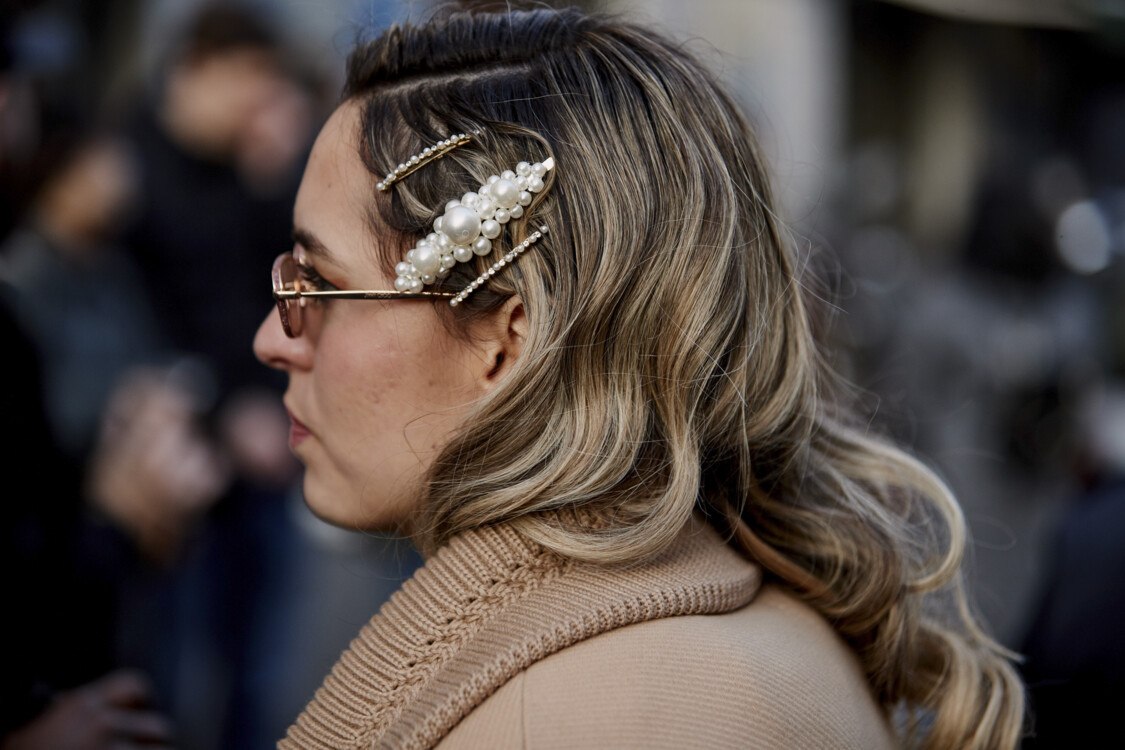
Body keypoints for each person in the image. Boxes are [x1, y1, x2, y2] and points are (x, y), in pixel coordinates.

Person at [253, 8, 1026, 749]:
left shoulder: (589, 719)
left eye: (317, 287)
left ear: (506, 341)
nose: (270, 341)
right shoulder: (700, 645)